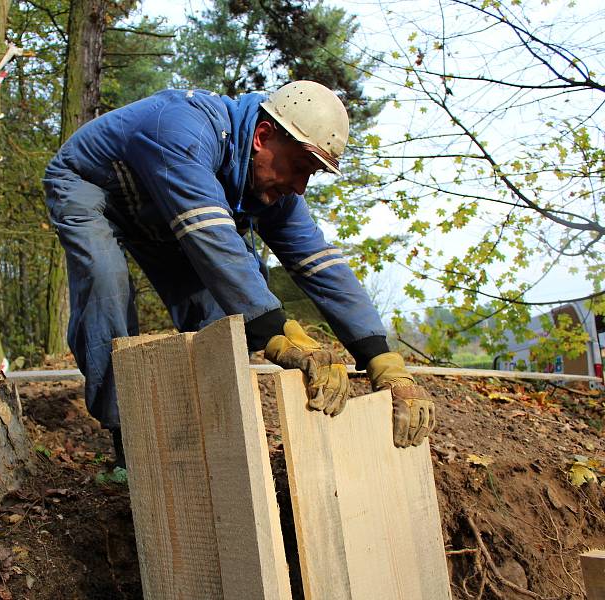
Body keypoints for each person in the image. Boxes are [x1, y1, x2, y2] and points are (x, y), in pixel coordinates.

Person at [44, 81, 435, 467]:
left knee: (221, 313)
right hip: (93, 185)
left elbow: (320, 263)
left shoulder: (272, 184)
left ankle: (205, 430)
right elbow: (212, 237)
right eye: (300, 167)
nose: (299, 187)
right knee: (105, 281)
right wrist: (276, 332)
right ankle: (126, 435)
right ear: (263, 135)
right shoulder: (183, 128)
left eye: (311, 175)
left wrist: (381, 358)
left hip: (162, 209)